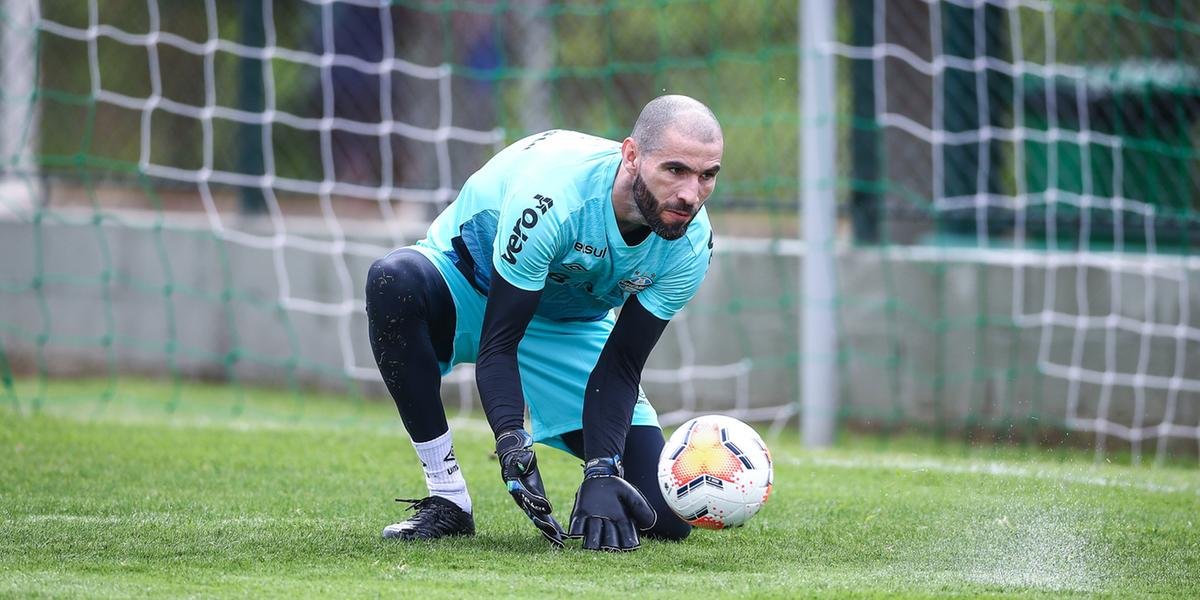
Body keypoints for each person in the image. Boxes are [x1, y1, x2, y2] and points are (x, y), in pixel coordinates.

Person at [365, 94, 722, 551]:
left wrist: (602, 471)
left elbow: (622, 366)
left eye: (707, 175)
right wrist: (512, 441)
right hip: (474, 284)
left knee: (663, 514)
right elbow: (499, 345)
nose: (691, 194)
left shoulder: (692, 244)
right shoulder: (553, 195)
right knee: (393, 281)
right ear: (631, 156)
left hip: (567, 322)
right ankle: (447, 496)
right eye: (675, 170)